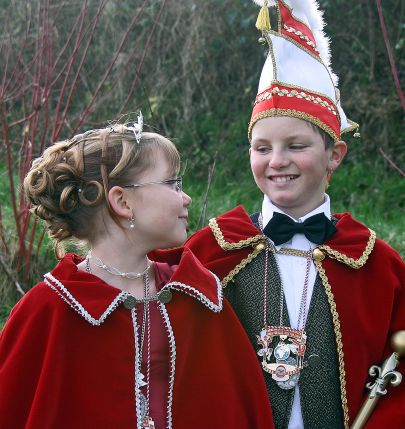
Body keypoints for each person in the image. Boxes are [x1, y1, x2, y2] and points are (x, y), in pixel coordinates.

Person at [183, 1, 405, 428]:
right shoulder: (210, 252)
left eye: (296, 147)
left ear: (334, 155)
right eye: (262, 148)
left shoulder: (379, 266)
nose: (276, 161)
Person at [0, 115, 273, 429]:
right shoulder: (49, 310)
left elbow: (235, 409)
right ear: (122, 201)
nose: (187, 197)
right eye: (172, 183)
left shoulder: (199, 298)